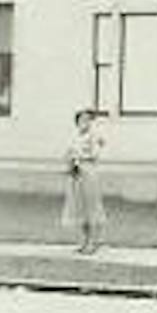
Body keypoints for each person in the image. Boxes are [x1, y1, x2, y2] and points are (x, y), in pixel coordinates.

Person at [61, 108, 108, 255]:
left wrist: (80, 157)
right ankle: (84, 240)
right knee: (79, 208)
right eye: (81, 120)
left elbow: (95, 154)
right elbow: (68, 153)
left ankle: (94, 242)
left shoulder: (94, 137)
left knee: (91, 206)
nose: (85, 123)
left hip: (89, 172)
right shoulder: (74, 138)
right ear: (77, 122)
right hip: (77, 174)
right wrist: (71, 162)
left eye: (88, 120)